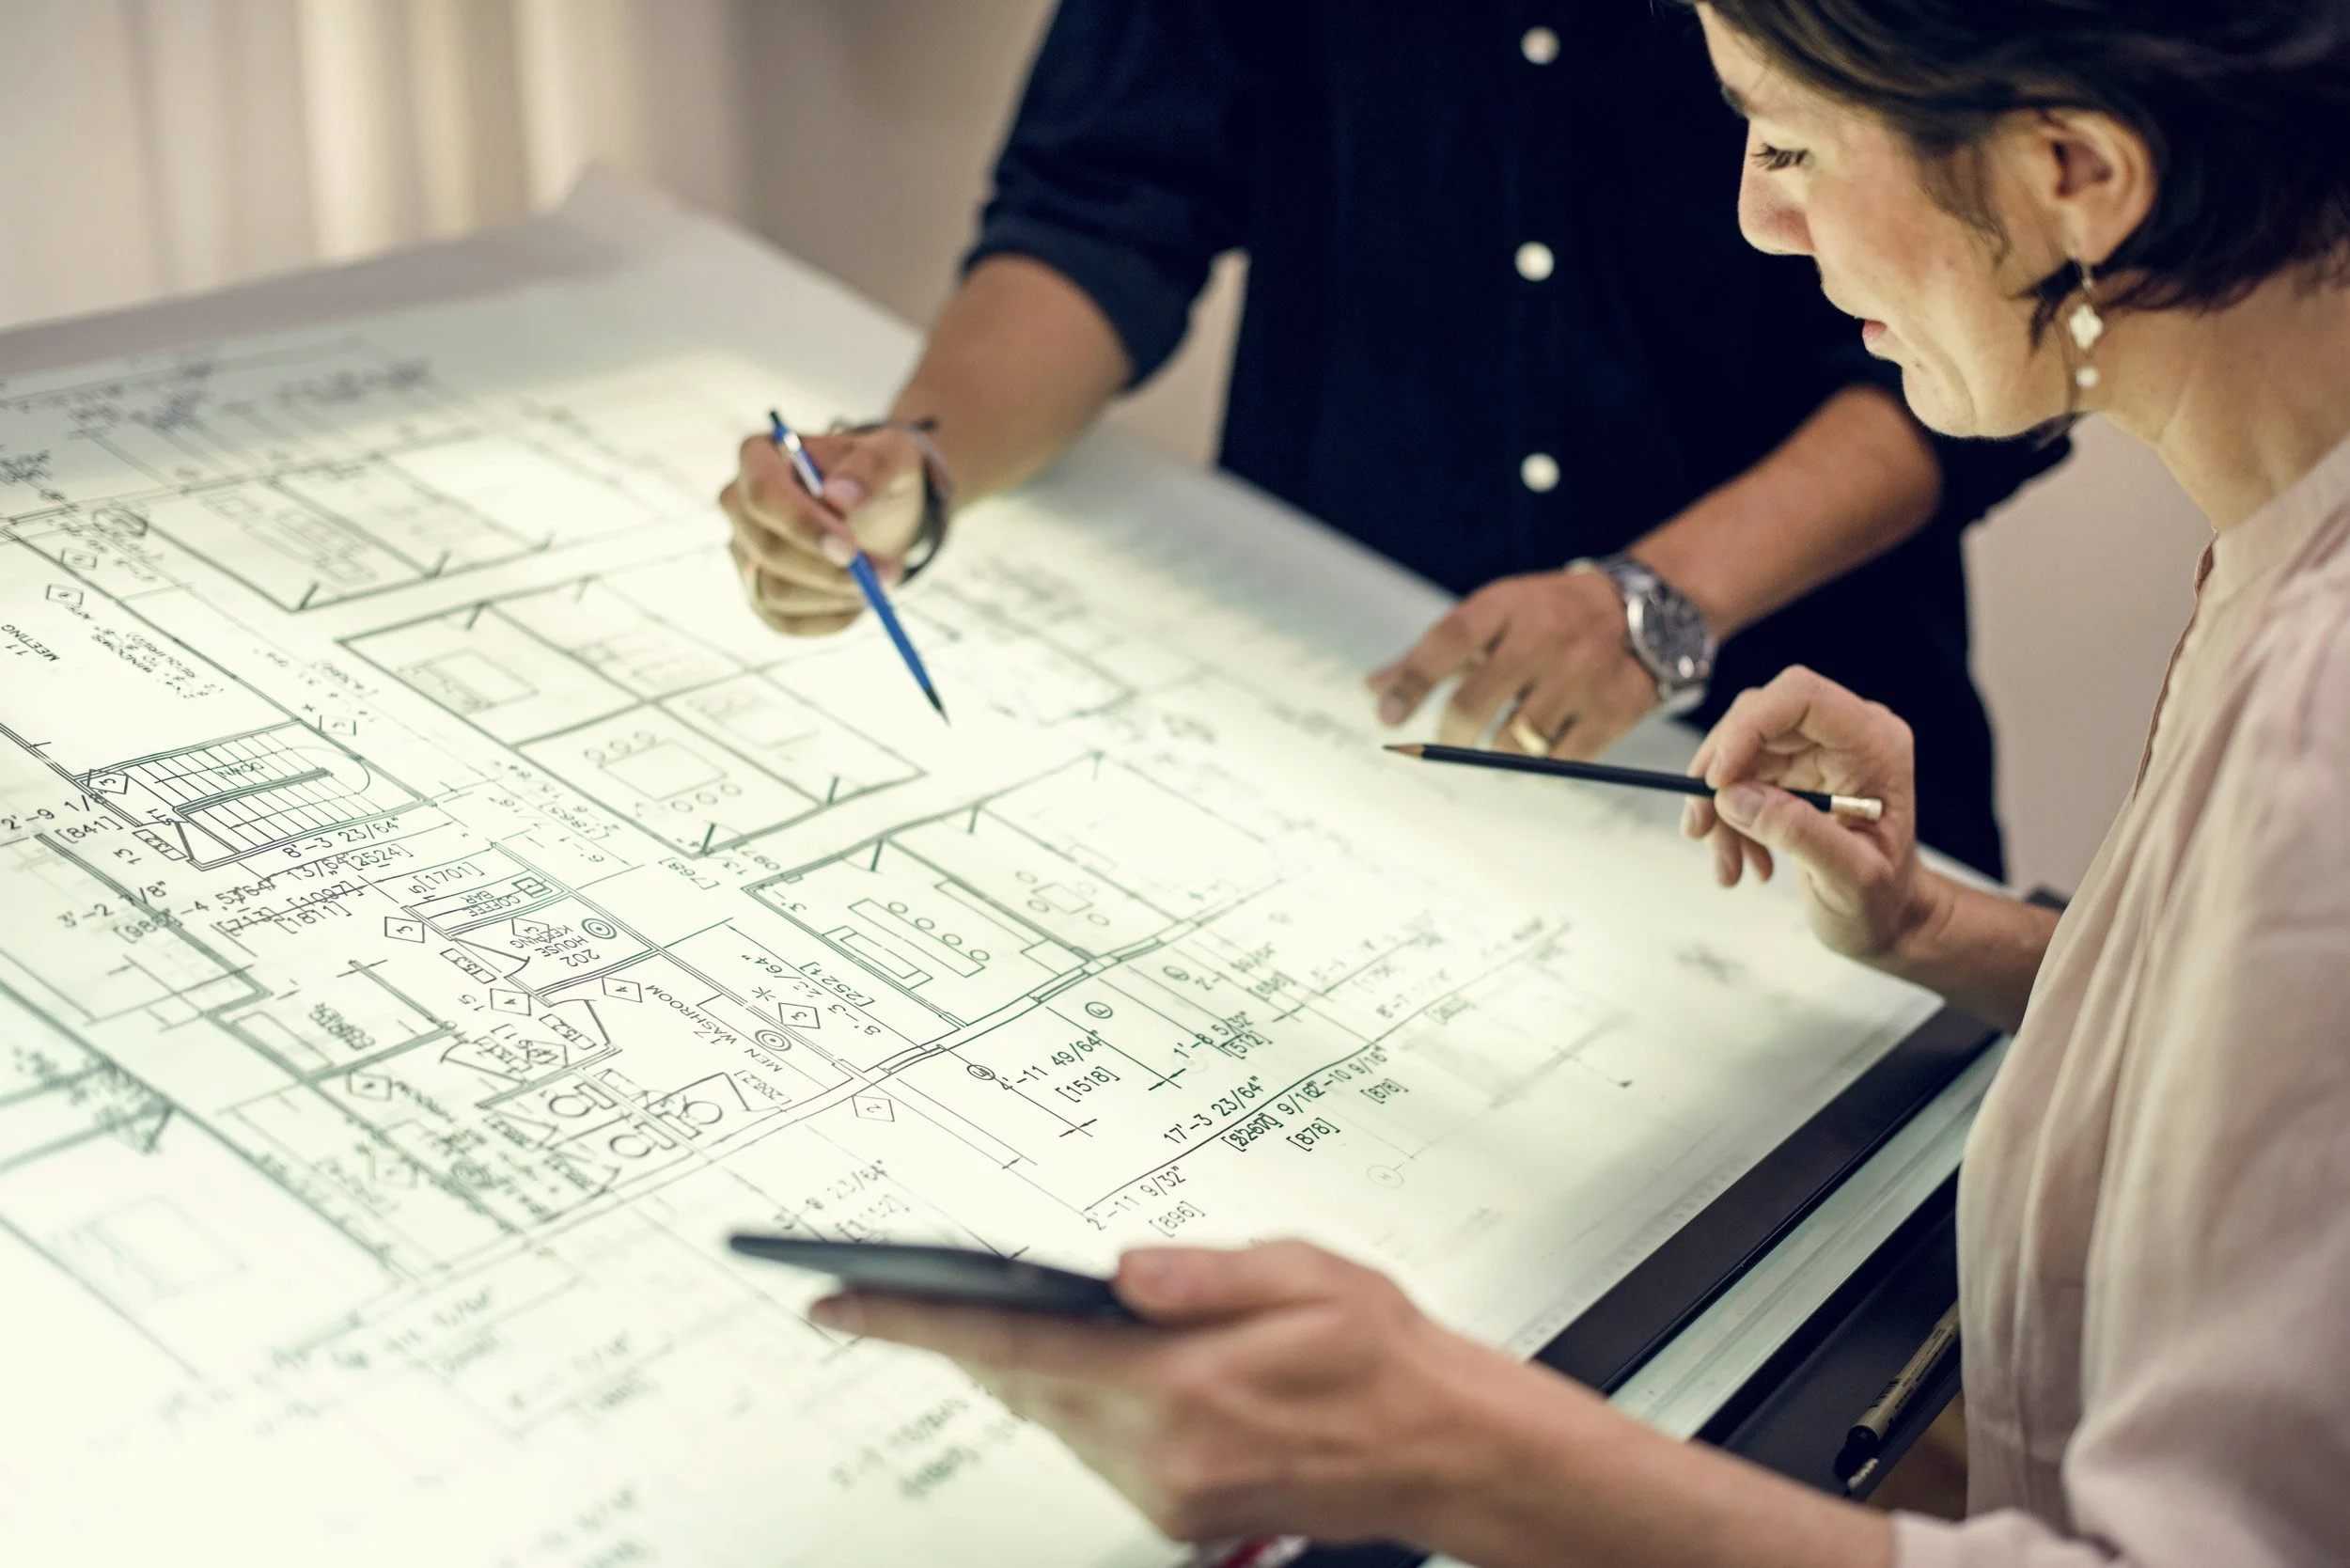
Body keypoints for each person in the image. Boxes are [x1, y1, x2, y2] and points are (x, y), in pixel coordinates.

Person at [802, 3, 2350, 1564]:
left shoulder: (2316, 730)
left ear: (2073, 173)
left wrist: (1449, 1451)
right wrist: (1955, 939)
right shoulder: (2274, 527)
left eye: (1791, 141)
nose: (1755, 213)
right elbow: (2268, 1043)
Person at [720, 1, 2068, 878]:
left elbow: (2006, 322)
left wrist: (1651, 608)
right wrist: (923, 463)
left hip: (1793, 741)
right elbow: (1103, 202)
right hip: (1344, 712)